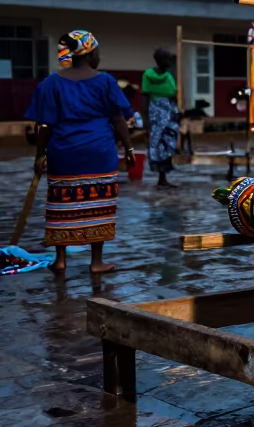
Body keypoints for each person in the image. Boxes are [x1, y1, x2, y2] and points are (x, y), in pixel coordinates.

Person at [27, 31, 135, 274]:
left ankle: (60, 260)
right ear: (91, 52)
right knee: (99, 205)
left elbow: (44, 125)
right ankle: (96, 262)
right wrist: (128, 148)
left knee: (61, 206)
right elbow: (118, 119)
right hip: (99, 152)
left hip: (63, 153)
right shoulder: (106, 81)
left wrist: (39, 155)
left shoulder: (51, 82)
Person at [142, 48, 180, 187]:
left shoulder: (169, 75)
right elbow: (145, 97)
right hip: (159, 112)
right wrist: (145, 119)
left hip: (168, 112)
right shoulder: (150, 75)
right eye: (167, 59)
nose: (169, 62)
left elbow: (173, 95)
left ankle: (163, 175)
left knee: (166, 142)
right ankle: (161, 176)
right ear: (159, 60)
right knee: (160, 143)